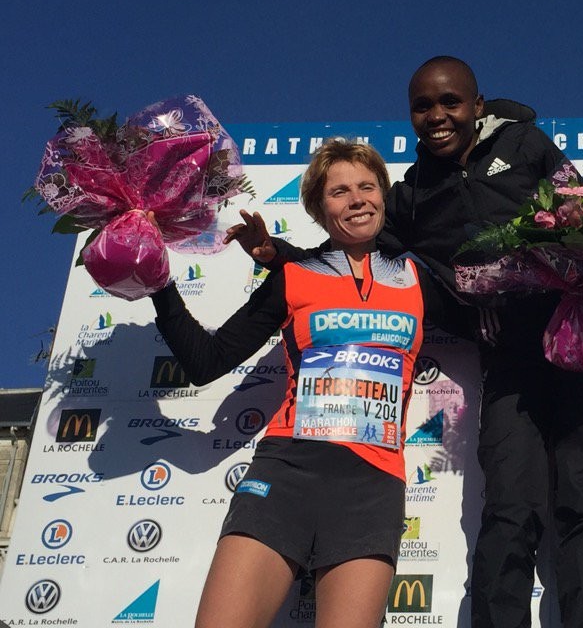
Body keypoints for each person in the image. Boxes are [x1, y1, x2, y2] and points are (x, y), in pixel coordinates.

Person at [232, 56, 583, 628]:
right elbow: (353, 255)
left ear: (477, 104)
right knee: (511, 510)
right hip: (507, 365)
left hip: (575, 350)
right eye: (423, 106)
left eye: (450, 102)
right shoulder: (412, 193)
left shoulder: (526, 145)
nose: (438, 116)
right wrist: (281, 258)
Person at [149, 141, 442, 628]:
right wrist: (159, 284)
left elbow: (490, 314)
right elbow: (207, 361)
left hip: (371, 486)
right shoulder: (293, 276)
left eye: (367, 187)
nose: (357, 200)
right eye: (339, 192)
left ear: (384, 197)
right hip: (286, 473)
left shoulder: (415, 277)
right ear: (318, 208)